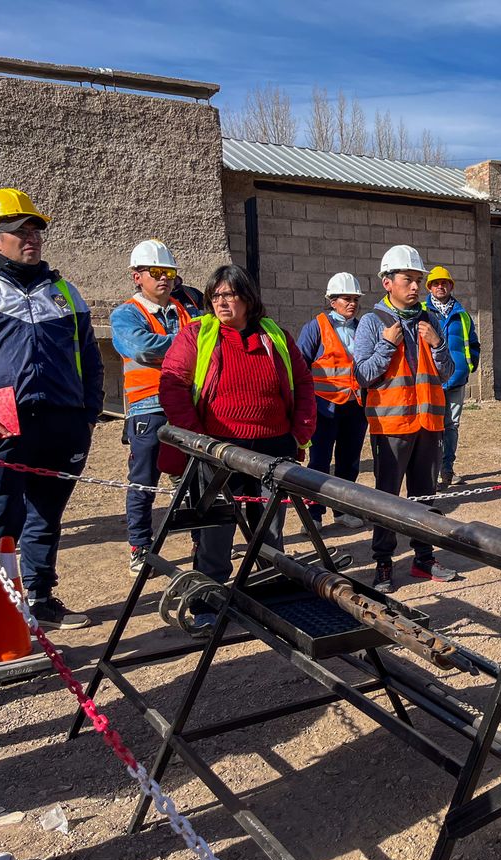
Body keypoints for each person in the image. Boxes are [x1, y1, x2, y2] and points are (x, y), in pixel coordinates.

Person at [0, 188, 104, 640]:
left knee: (47, 515)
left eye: (35, 229)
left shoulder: (64, 290)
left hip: (63, 423)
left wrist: (88, 417)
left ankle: (40, 597)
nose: (31, 237)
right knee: (1, 519)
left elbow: (90, 358)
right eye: (19, 230)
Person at [159, 265, 316, 603]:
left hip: (274, 447)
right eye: (215, 295)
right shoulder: (196, 335)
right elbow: (172, 387)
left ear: (248, 298)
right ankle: (208, 599)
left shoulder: (275, 335)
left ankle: (269, 593)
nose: (221, 302)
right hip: (218, 450)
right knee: (216, 530)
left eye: (229, 294)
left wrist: (299, 433)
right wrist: (200, 441)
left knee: (270, 528)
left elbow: (302, 383)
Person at [353, 245, 459, 592]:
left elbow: (447, 372)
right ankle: (383, 563)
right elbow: (364, 374)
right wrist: (386, 345)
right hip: (391, 426)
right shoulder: (372, 322)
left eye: (418, 280)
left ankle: (423, 559)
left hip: (428, 425)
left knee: (424, 497)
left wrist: (438, 344)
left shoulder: (429, 321)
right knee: (387, 497)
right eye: (407, 280)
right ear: (387, 282)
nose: (415, 287)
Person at [111, 239, 198, 575]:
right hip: (147, 407)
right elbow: (142, 348)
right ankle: (140, 546)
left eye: (170, 273)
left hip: (187, 405)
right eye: (157, 272)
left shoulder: (186, 309)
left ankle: (199, 538)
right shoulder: (127, 314)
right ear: (137, 276)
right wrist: (187, 345)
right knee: (144, 480)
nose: (165, 278)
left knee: (193, 477)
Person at [296, 272, 368, 530]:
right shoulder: (315, 327)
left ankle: (342, 511)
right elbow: (300, 366)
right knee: (319, 463)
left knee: (349, 463)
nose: (352, 304)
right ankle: (314, 515)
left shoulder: (362, 328)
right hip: (324, 408)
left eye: (355, 299)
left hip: (355, 407)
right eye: (346, 299)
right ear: (332, 300)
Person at [423, 265, 479, 488]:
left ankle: (447, 470)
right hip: (431, 380)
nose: (440, 286)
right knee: (432, 427)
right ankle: (431, 471)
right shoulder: (422, 312)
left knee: (451, 426)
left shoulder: (462, 315)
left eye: (444, 282)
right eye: (436, 283)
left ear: (450, 286)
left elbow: (473, 343)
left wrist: (469, 365)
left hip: (456, 380)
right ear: (430, 287)